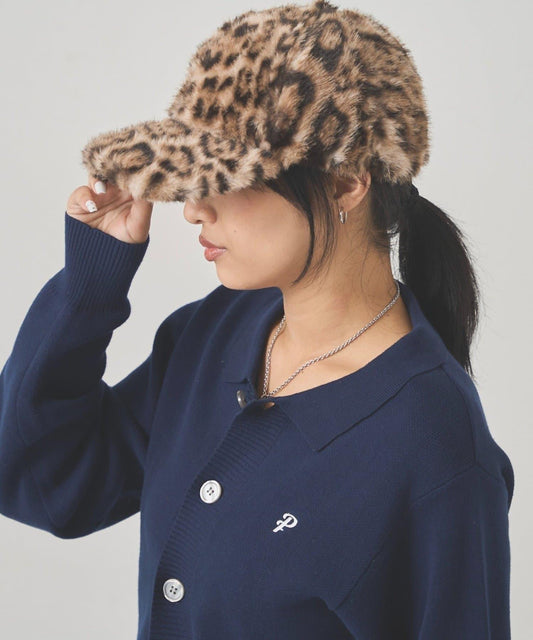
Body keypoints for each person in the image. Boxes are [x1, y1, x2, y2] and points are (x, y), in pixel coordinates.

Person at [0, 1, 514, 639]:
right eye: (193, 173)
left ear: (347, 180)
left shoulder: (437, 445)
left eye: (229, 175)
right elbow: (41, 479)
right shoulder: (216, 333)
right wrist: (89, 287)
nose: (193, 209)